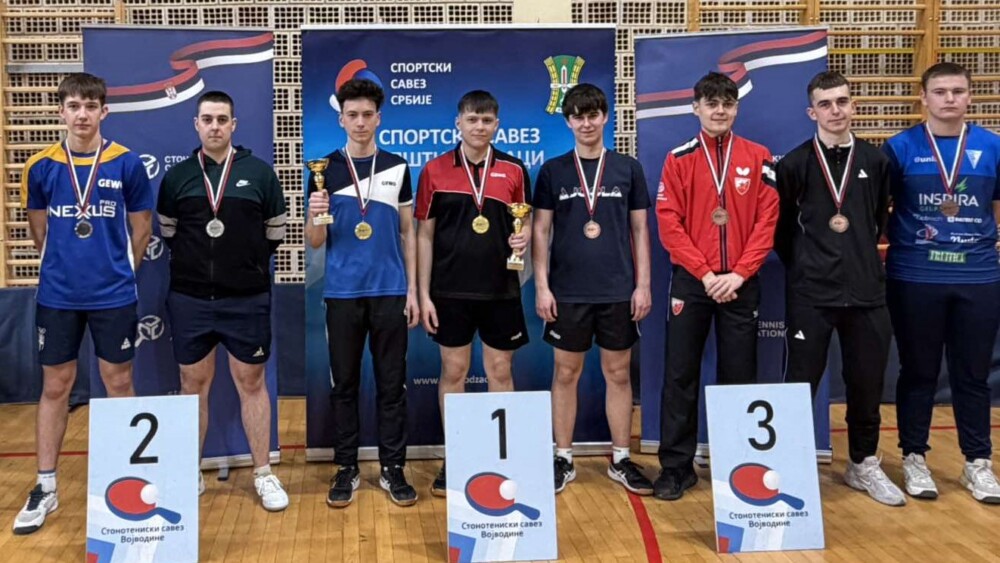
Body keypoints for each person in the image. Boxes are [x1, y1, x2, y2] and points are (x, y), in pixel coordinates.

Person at [15, 73, 153, 535]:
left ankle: (125, 480)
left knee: (119, 382)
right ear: (61, 112)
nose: (82, 115)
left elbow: (142, 229)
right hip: (58, 296)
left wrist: (119, 272)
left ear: (104, 112)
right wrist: (65, 267)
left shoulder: (126, 163)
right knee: (56, 386)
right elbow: (39, 231)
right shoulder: (40, 166)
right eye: (74, 106)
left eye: (91, 106)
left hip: (114, 296)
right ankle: (46, 485)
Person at [157, 90, 289, 511]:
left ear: (234, 125)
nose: (214, 126)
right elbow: (169, 232)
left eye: (222, 119)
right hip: (191, 299)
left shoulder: (260, 174)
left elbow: (275, 232)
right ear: (196, 124)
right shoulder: (177, 178)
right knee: (192, 385)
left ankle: (263, 473)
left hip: (246, 299)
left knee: (251, 383)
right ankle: (190, 471)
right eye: (207, 119)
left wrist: (242, 266)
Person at [775, 71, 903, 506]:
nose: (835, 110)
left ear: (853, 106)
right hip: (811, 294)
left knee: (866, 383)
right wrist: (809, 267)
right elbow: (781, 233)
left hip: (866, 293)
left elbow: (879, 221)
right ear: (812, 112)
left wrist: (858, 262)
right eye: (825, 104)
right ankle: (789, 467)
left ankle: (863, 463)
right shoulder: (793, 164)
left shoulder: (876, 161)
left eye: (842, 101)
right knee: (800, 384)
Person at [654, 71, 779, 501]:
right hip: (693, 282)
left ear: (736, 108)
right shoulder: (679, 158)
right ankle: (676, 467)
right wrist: (706, 274)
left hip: (741, 283)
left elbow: (768, 221)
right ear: (696, 108)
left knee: (739, 376)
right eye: (711, 103)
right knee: (680, 374)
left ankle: (737, 464)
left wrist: (739, 274)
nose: (719, 110)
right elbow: (669, 224)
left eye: (727, 103)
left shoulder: (759, 157)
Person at [883, 62, 1000, 504]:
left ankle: (978, 463)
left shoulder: (992, 146)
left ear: (970, 96)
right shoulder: (899, 148)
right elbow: (883, 208)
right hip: (915, 276)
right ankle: (914, 456)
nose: (949, 99)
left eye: (957, 91)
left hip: (978, 276)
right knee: (918, 371)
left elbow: (995, 207)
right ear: (923, 98)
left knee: (973, 374)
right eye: (940, 91)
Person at [532, 84, 653, 494]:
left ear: (605, 117)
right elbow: (540, 230)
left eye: (593, 115)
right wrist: (542, 287)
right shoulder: (553, 171)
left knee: (618, 373)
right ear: (568, 122)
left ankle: (621, 458)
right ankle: (563, 458)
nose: (586, 123)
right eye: (578, 116)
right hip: (567, 292)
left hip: (618, 291)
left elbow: (640, 230)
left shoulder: (628, 168)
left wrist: (643, 285)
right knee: (566, 373)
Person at [305, 79, 419, 508]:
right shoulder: (323, 170)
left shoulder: (397, 166)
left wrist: (412, 291)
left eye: (367, 115)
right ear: (341, 119)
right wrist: (316, 215)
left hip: (390, 291)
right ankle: (346, 466)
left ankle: (393, 467)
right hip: (342, 293)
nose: (360, 122)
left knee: (392, 385)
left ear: (378, 118)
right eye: (351, 115)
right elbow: (315, 241)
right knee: (344, 385)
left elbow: (408, 234)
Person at [415, 90, 531, 497]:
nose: (479, 127)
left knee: (500, 371)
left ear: (497, 125)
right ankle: (457, 456)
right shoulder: (434, 170)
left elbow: (523, 223)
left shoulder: (515, 170)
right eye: (472, 120)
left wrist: (522, 239)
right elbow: (424, 236)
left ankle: (503, 457)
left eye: (486, 120)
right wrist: (424, 294)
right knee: (454, 372)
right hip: (449, 292)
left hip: (501, 290)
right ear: (458, 123)